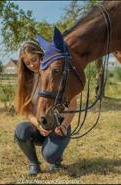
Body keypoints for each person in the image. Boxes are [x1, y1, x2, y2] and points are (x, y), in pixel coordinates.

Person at [14, 40, 77, 176]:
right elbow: (27, 111)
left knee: (49, 156)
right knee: (20, 131)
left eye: (34, 60)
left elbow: (73, 105)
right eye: (27, 63)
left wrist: (65, 125)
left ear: (41, 55)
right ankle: (33, 163)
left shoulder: (57, 74)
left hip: (59, 124)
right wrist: (38, 125)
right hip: (40, 125)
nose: (32, 65)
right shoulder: (27, 81)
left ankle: (55, 158)